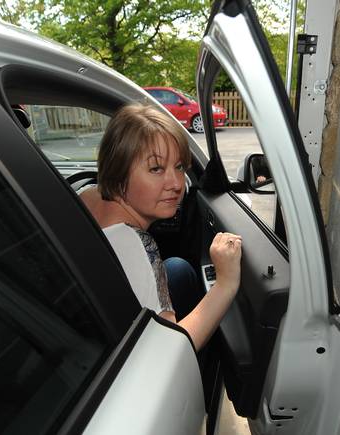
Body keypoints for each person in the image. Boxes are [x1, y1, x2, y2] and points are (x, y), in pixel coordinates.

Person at [80, 103, 242, 351]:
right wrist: (226, 282)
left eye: (178, 167)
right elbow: (168, 353)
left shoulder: (87, 195)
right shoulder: (135, 245)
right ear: (118, 171)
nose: (176, 183)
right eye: (156, 168)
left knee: (177, 268)